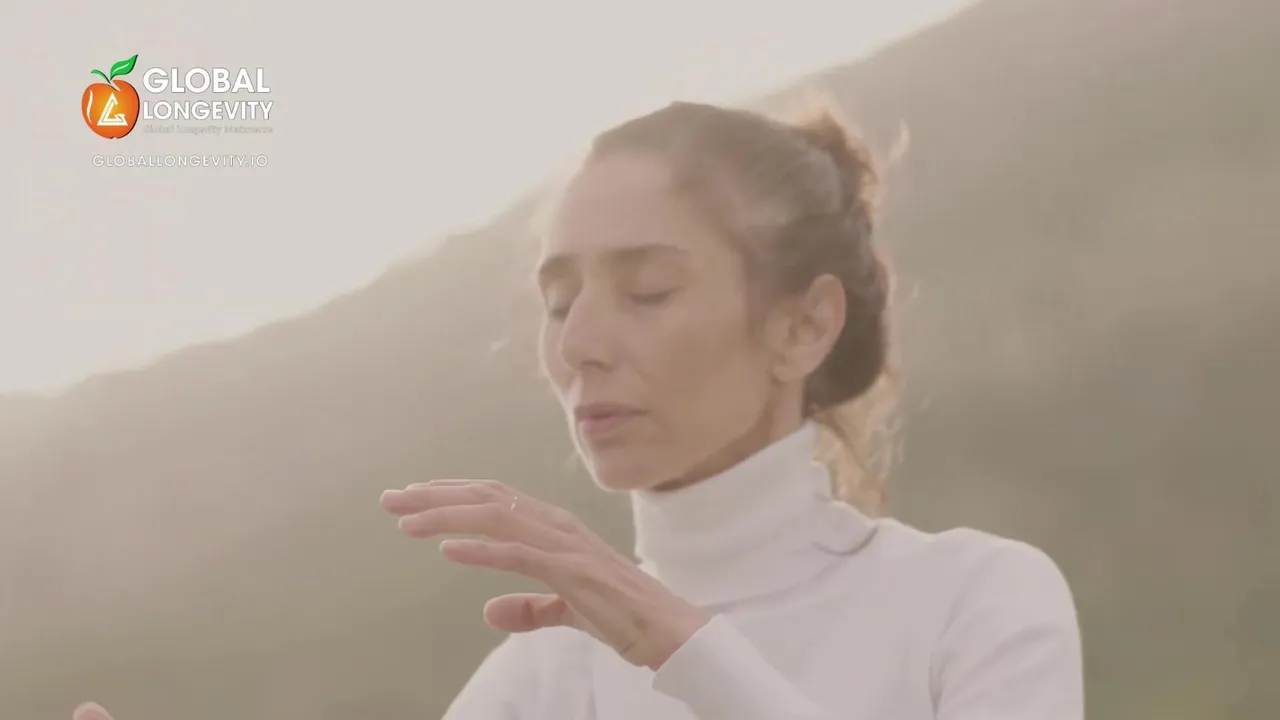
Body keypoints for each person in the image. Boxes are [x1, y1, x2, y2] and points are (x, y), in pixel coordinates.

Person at [74, 101, 1083, 720]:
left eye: (647, 290)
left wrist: (682, 648)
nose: (579, 344)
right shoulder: (549, 671)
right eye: (559, 303)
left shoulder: (975, 599)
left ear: (803, 325)